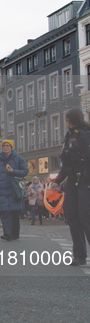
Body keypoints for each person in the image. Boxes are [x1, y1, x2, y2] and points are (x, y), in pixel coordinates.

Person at [52, 108, 90, 266]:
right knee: (73, 216)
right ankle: (79, 255)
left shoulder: (86, 135)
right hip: (73, 180)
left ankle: (80, 255)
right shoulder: (69, 137)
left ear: (68, 120)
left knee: (85, 216)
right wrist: (58, 180)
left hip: (86, 179)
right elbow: (66, 163)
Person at [0, 140, 29, 241]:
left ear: (11, 147)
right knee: (4, 211)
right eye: (4, 146)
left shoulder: (18, 158)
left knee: (14, 212)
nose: (6, 148)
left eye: (8, 146)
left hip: (14, 189)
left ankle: (15, 234)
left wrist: (14, 171)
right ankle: (7, 234)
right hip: (2, 189)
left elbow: (25, 171)